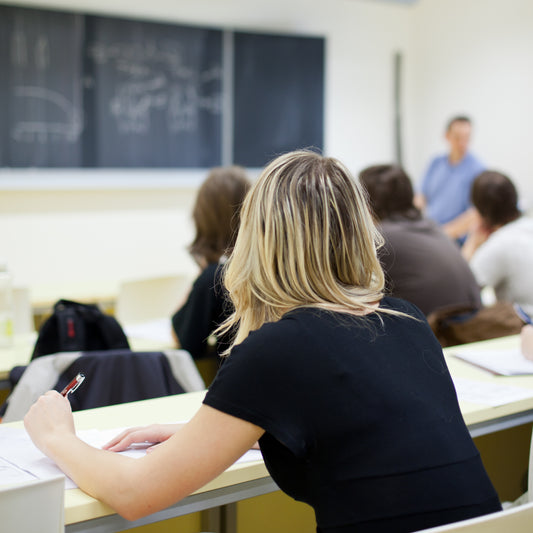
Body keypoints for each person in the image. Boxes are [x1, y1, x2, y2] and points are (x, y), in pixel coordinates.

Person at [24, 151, 500, 533]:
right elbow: (362, 431)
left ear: (258, 239)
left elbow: (135, 494)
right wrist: (210, 436)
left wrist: (57, 438)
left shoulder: (279, 348)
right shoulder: (407, 320)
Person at [359, 164, 481, 316]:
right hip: (471, 325)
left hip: (444, 334)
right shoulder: (432, 227)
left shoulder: (382, 239)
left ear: (365, 206)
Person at [171, 166, 251, 362]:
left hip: (234, 385)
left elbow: (185, 344)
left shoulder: (213, 278)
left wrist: (200, 277)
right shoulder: (263, 270)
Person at [462, 170, 533, 316]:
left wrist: (473, 242)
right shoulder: (528, 226)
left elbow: (462, 289)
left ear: (481, 213)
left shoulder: (499, 243)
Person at [416, 116, 485, 241]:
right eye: (458, 137)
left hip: (456, 240)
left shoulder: (478, 169)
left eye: (467, 138)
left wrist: (443, 234)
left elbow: (476, 214)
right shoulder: (436, 163)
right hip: (432, 232)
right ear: (447, 136)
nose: (462, 143)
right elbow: (420, 197)